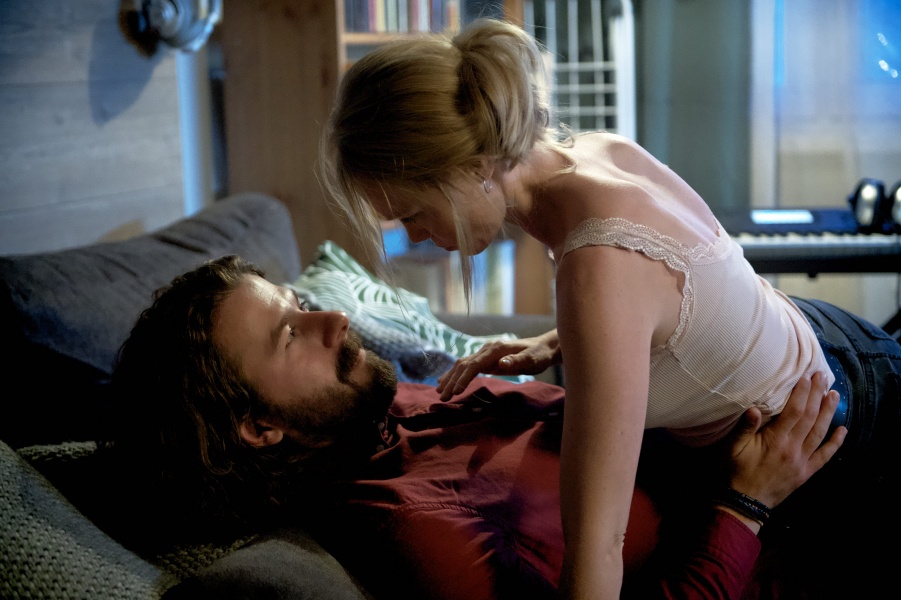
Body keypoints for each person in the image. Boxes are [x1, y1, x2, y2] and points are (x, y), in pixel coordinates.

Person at [317, 17, 901, 599]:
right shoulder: (592, 154)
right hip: (829, 340)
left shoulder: (600, 266)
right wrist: (556, 342)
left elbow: (598, 548)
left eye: (413, 213)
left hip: (827, 432)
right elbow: (679, 302)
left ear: (473, 167)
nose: (416, 236)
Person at [102, 255, 846, 600]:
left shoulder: (386, 409)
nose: (332, 319)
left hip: (759, 437)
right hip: (804, 535)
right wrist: (745, 506)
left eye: (298, 301)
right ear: (259, 428)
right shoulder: (419, 529)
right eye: (290, 335)